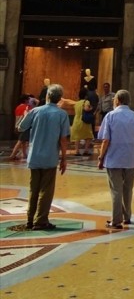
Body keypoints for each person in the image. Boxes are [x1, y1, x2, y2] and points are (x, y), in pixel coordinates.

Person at [18, 82, 70, 231]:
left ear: (47, 96)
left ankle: (30, 218)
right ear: (59, 98)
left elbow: (21, 127)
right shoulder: (62, 114)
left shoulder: (36, 111)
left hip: (34, 156)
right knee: (46, 190)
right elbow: (63, 138)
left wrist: (27, 115)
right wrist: (64, 158)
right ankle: (40, 220)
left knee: (33, 188)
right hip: (50, 157)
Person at [97, 88, 134, 229]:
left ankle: (116, 220)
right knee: (128, 189)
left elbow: (105, 140)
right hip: (130, 158)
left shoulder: (110, 116)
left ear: (117, 100)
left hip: (114, 158)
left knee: (116, 190)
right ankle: (127, 216)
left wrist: (101, 157)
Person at [10, 95, 36, 161]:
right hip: (24, 127)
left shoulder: (18, 107)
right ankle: (13, 155)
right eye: (28, 99)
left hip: (17, 125)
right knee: (20, 141)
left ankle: (24, 155)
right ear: (25, 100)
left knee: (23, 141)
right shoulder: (27, 108)